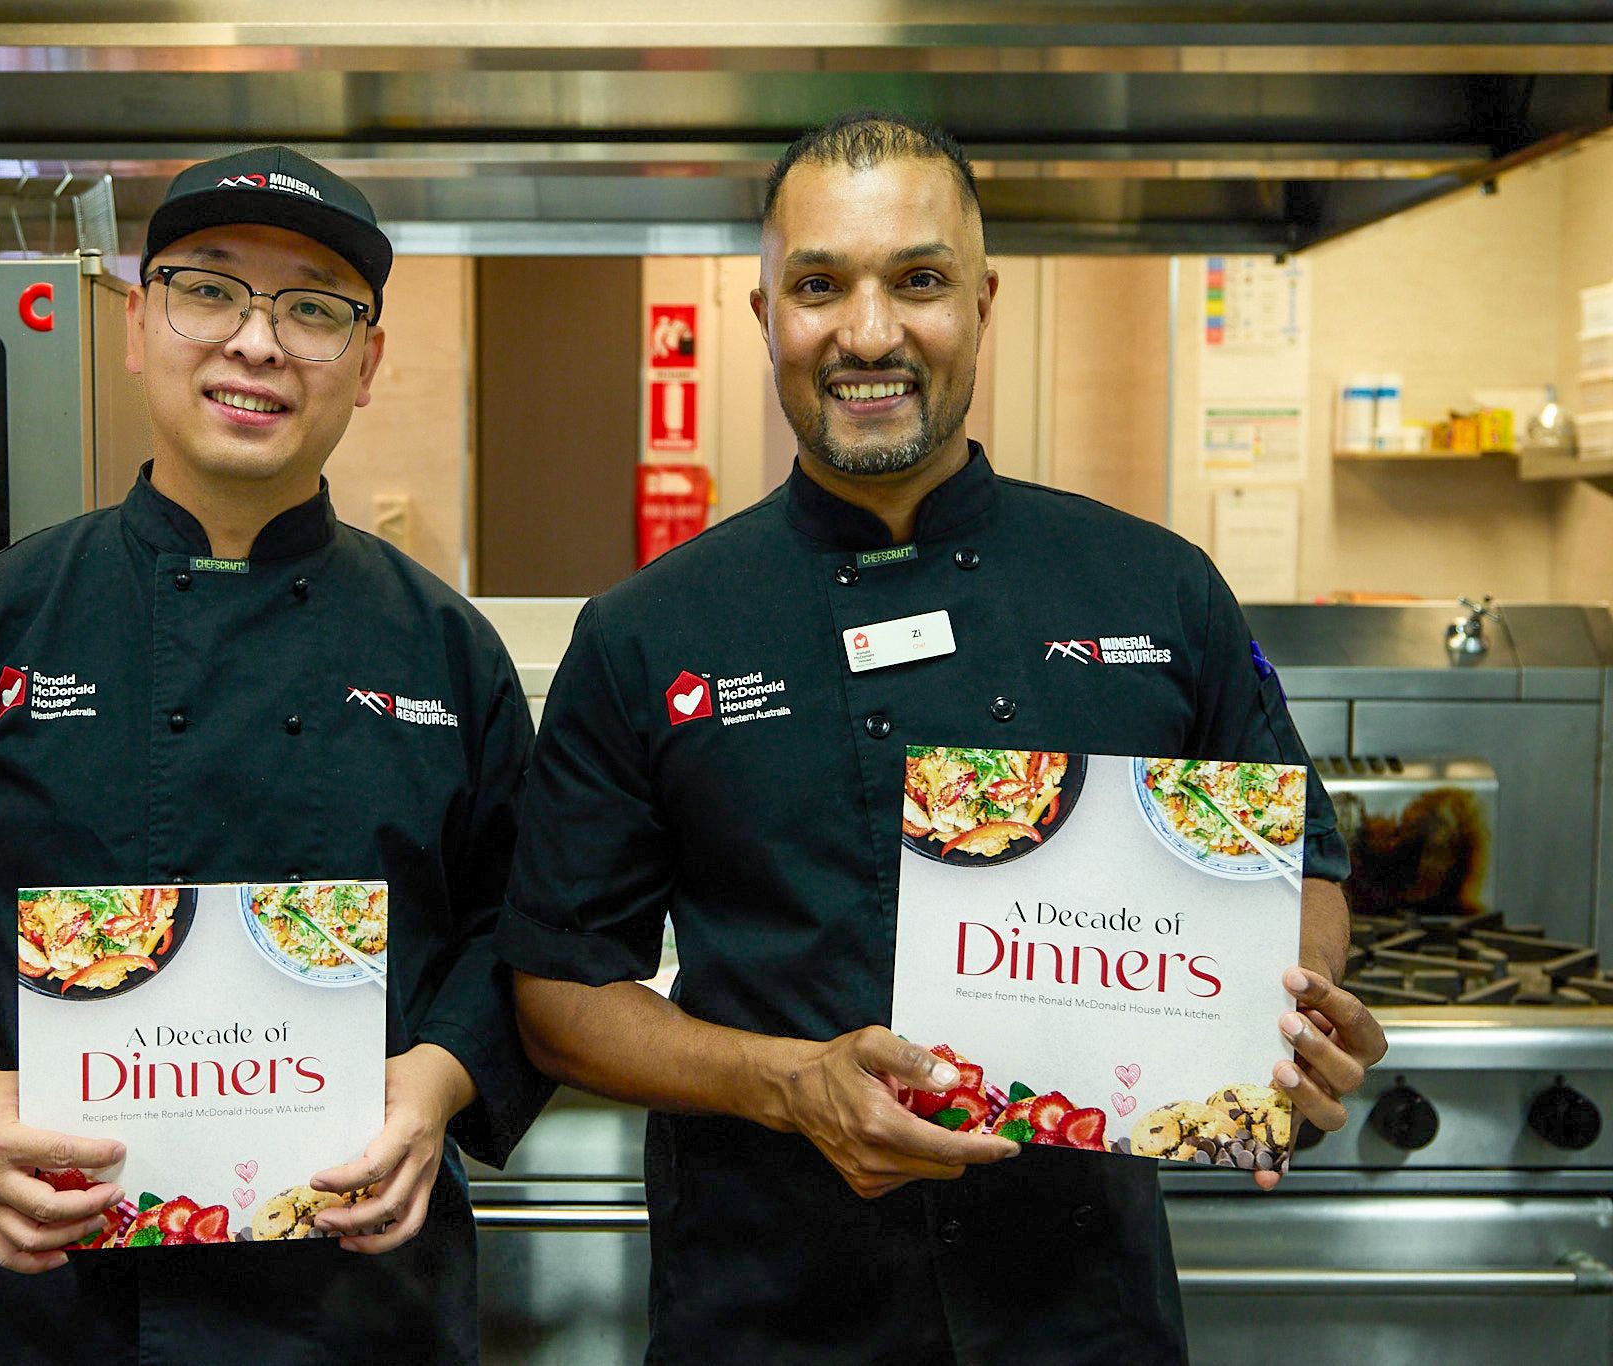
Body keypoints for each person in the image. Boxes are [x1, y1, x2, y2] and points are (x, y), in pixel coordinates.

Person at [499, 112, 1387, 1363]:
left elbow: (1296, 862)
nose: (868, 333)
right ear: (766, 316)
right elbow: (556, 993)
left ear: (980, 302)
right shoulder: (647, 631)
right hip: (767, 1308)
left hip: (1082, 1310)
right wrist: (783, 1082)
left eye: (916, 280)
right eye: (818, 286)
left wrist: (1277, 1032)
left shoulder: (1155, 588)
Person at [0, 146, 550, 1361]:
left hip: (358, 1307)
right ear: (138, 324)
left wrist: (436, 1082)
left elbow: (523, 927)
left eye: (312, 309)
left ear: (366, 365)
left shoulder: (446, 653)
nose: (256, 344)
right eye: (208, 290)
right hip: (49, 1299)